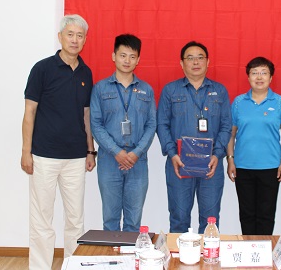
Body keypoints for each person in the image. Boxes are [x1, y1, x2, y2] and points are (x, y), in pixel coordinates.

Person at [21, 14, 96, 270]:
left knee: (75, 220)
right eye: (70, 34)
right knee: (41, 220)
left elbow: (86, 115)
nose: (75, 40)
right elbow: (29, 112)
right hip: (43, 156)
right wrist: (26, 152)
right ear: (60, 37)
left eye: (80, 36)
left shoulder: (86, 72)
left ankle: (74, 265)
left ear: (85, 40)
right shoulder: (42, 69)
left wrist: (90, 151)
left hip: (76, 157)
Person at [156, 41, 232, 233]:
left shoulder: (220, 91)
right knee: (179, 218)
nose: (195, 62)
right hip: (179, 163)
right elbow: (162, 124)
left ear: (208, 62)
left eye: (200, 58)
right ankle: (178, 253)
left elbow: (226, 125)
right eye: (190, 58)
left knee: (210, 220)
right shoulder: (170, 90)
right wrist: (172, 154)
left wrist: (217, 154)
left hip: (211, 164)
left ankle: (208, 252)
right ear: (182, 63)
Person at [90, 34, 156, 232]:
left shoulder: (146, 90)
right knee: (110, 219)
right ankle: (111, 252)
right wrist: (116, 151)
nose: (127, 60)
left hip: (138, 160)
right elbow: (96, 124)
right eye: (123, 55)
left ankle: (129, 253)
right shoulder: (100, 89)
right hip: (109, 159)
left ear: (138, 60)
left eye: (132, 56)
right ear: (114, 56)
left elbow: (151, 125)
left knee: (133, 220)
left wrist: (136, 153)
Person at [227, 56, 281, 235]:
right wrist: (230, 160)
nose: (259, 77)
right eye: (254, 73)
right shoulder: (238, 102)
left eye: (264, 73)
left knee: (266, 215)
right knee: (246, 214)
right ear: (248, 77)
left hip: (271, 167)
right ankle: (248, 249)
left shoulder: (279, 102)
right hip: (243, 166)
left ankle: (264, 249)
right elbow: (230, 134)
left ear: (271, 77)